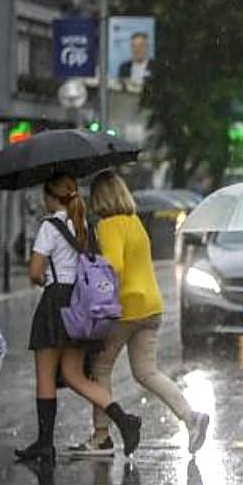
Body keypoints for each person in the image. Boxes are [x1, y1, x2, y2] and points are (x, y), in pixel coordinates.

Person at [70, 171, 210, 457]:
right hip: (151, 306)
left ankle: (101, 437)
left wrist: (88, 263)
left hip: (126, 309)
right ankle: (190, 416)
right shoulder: (135, 223)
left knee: (100, 369)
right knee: (147, 372)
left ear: (100, 197)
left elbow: (114, 269)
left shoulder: (109, 225)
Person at [16, 173, 142, 463]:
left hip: (56, 302)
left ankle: (45, 444)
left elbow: (35, 272)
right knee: (73, 375)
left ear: (50, 197)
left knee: (46, 375)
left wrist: (45, 278)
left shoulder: (49, 226)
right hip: (80, 303)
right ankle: (123, 420)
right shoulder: (84, 224)